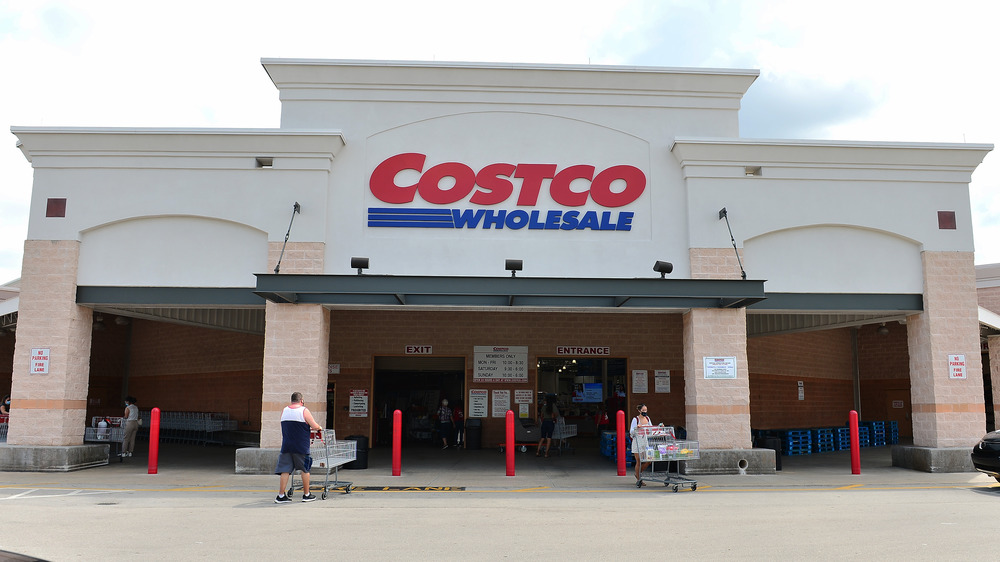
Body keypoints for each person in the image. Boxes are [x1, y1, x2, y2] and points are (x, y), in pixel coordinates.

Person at [274, 392, 323, 504]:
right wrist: (319, 427)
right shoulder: (303, 410)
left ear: (292, 400)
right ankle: (306, 494)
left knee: (285, 470)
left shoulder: (284, 410)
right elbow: (314, 426)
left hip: (286, 446)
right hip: (301, 447)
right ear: (301, 400)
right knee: (305, 470)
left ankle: (281, 496)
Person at [630, 403, 653, 487]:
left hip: (645, 441)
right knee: (639, 460)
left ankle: (638, 473)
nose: (645, 412)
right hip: (637, 441)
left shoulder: (647, 418)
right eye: (643, 410)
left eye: (646, 410)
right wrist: (637, 427)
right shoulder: (635, 419)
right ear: (639, 411)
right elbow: (631, 431)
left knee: (648, 460)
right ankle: (639, 479)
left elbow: (651, 429)